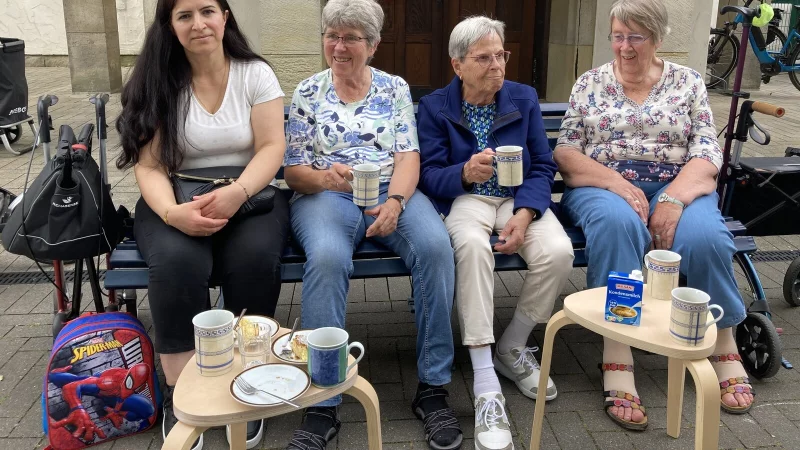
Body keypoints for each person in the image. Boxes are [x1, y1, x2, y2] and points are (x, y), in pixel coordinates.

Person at [555, 0, 754, 431]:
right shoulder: (589, 83)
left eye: (636, 37)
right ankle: (618, 351)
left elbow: (705, 149)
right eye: (618, 36)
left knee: (705, 238)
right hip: (602, 184)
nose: (624, 47)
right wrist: (614, 182)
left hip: (676, 183)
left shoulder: (688, 82)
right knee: (617, 224)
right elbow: (567, 151)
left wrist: (675, 198)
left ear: (659, 38)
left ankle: (722, 340)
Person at [282, 1, 463, 449]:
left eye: (351, 38)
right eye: (332, 35)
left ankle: (433, 388)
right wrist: (326, 177)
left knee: (437, 250)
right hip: (327, 195)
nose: (339, 46)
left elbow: (408, 156)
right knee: (326, 257)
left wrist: (397, 202)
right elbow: (294, 171)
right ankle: (323, 400)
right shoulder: (307, 91)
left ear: (373, 44)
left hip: (390, 191)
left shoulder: (394, 88)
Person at [115, 0, 289, 448]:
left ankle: (246, 382)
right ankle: (183, 392)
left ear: (225, 16)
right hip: (175, 196)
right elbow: (149, 167)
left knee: (253, 259)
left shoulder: (255, 74)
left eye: (207, 11)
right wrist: (173, 213)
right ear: (170, 26)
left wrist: (237, 193)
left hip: (249, 195)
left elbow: (272, 146)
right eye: (184, 16)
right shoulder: (157, 82)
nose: (199, 24)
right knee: (175, 262)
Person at [418, 15, 575, 450]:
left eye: (500, 55)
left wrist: (524, 215)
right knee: (470, 246)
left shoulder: (522, 98)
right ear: (458, 65)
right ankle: (486, 384)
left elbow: (542, 165)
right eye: (483, 58)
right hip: (466, 199)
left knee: (558, 251)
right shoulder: (436, 107)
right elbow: (428, 176)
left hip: (517, 198)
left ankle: (512, 346)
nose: (496, 65)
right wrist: (464, 172)